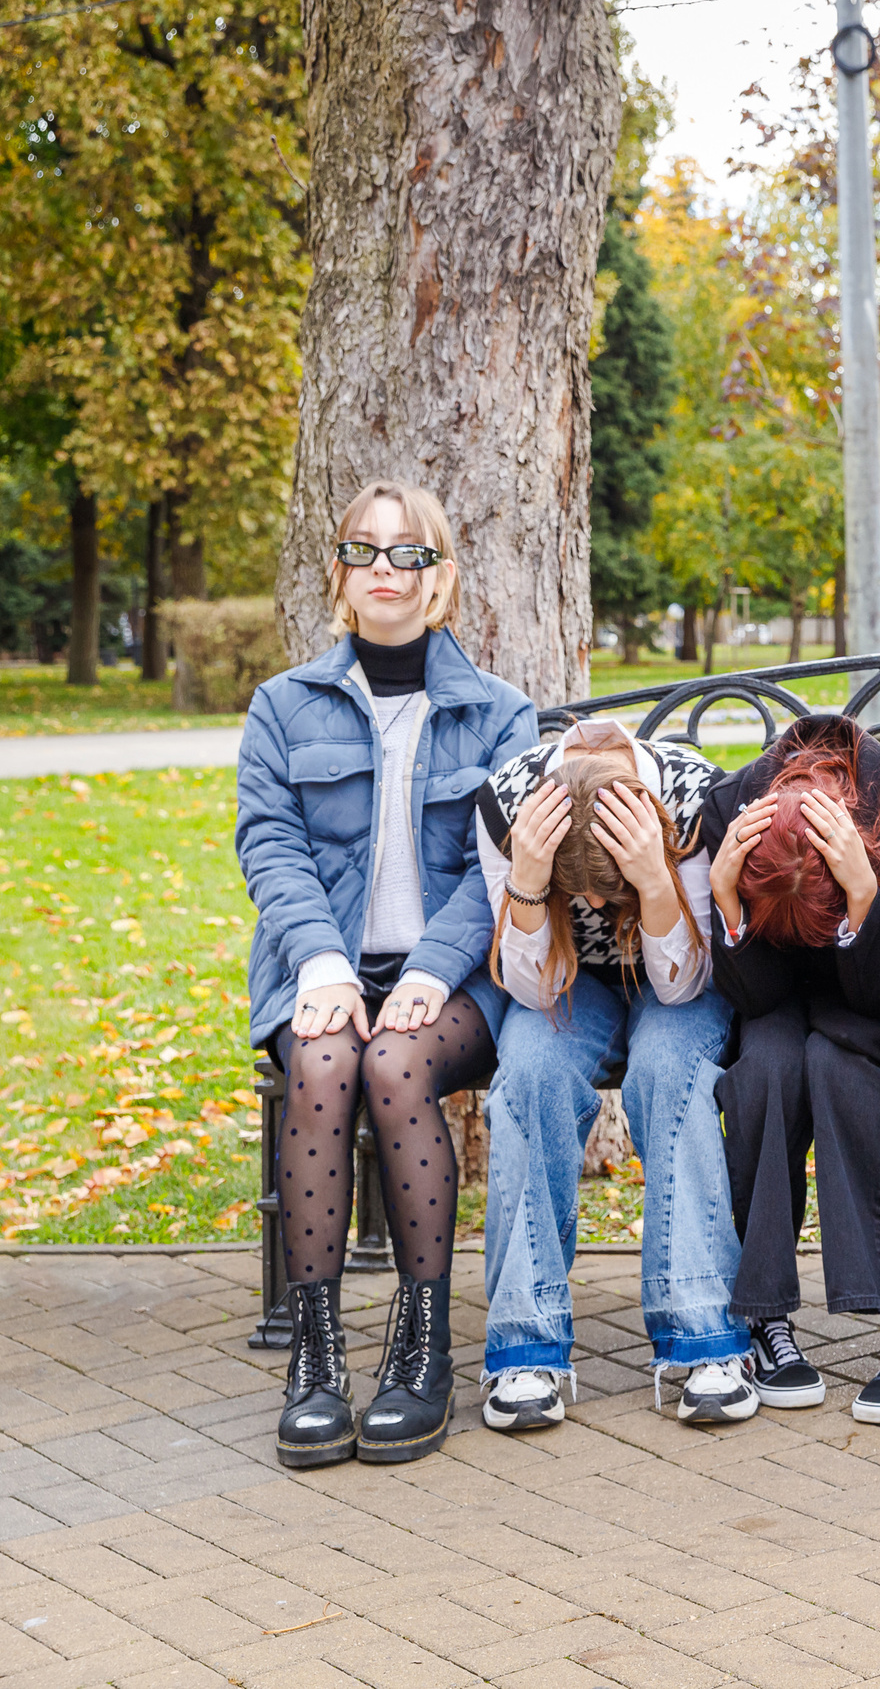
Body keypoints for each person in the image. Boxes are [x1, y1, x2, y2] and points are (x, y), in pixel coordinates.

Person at [237, 482, 535, 1469]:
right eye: (362, 550)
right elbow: (269, 845)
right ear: (340, 573)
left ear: (440, 578)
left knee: (396, 1066)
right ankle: (316, 1365)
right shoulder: (284, 706)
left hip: (450, 980)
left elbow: (501, 867)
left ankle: (421, 1351)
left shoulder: (498, 714)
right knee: (323, 1067)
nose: (383, 568)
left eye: (407, 554)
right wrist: (322, 962)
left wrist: (435, 970)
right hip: (318, 965)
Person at [474, 716, 745, 1431]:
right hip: (566, 980)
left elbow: (684, 983)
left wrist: (654, 881)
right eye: (580, 893)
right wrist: (531, 885)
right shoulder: (506, 806)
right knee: (529, 1070)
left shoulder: (694, 802)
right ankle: (525, 1346)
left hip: (675, 972)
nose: (593, 906)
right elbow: (532, 992)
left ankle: (703, 1335)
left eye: (606, 891)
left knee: (667, 1065)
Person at [701, 716, 880, 1421]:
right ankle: (763, 1316)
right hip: (775, 1009)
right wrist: (730, 906)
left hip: (872, 1006)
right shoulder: (729, 812)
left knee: (839, 1063)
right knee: (768, 1066)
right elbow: (757, 997)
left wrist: (862, 899)